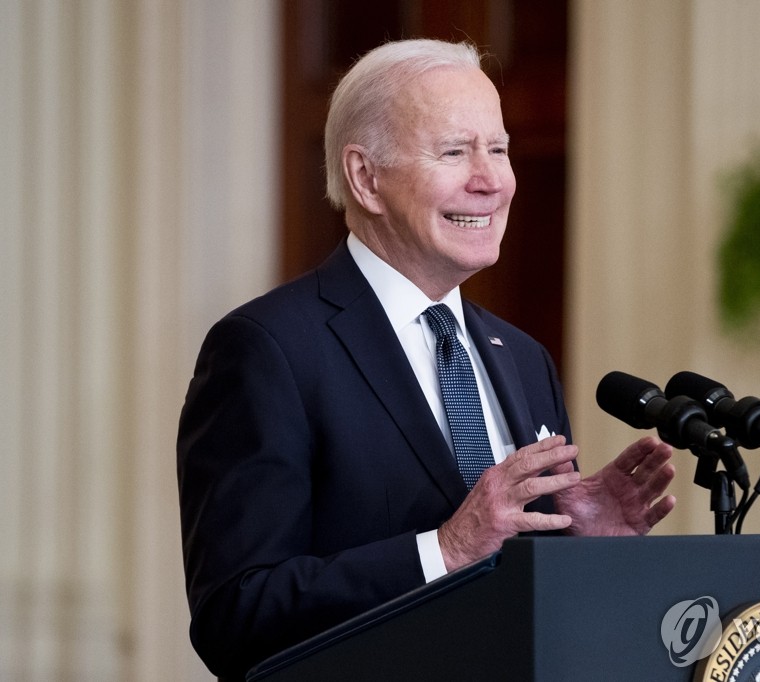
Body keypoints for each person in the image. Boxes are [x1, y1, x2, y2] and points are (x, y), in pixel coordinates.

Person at [177, 38, 676, 680]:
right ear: (366, 178)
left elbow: (523, 597)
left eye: (497, 149)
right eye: (454, 152)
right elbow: (234, 616)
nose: (491, 179)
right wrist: (445, 548)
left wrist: (578, 552)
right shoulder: (267, 349)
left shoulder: (523, 359)